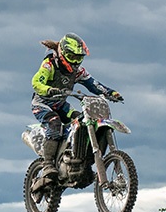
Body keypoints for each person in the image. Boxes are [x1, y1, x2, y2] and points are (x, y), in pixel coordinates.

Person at [30, 33, 122, 178]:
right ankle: (48, 164)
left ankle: (79, 160)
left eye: (79, 58)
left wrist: (111, 93)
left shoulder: (78, 72)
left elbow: (93, 84)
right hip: (42, 104)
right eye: (73, 57)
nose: (76, 61)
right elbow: (36, 82)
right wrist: (48, 89)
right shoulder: (50, 65)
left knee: (82, 122)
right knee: (54, 123)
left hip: (61, 105)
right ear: (62, 53)